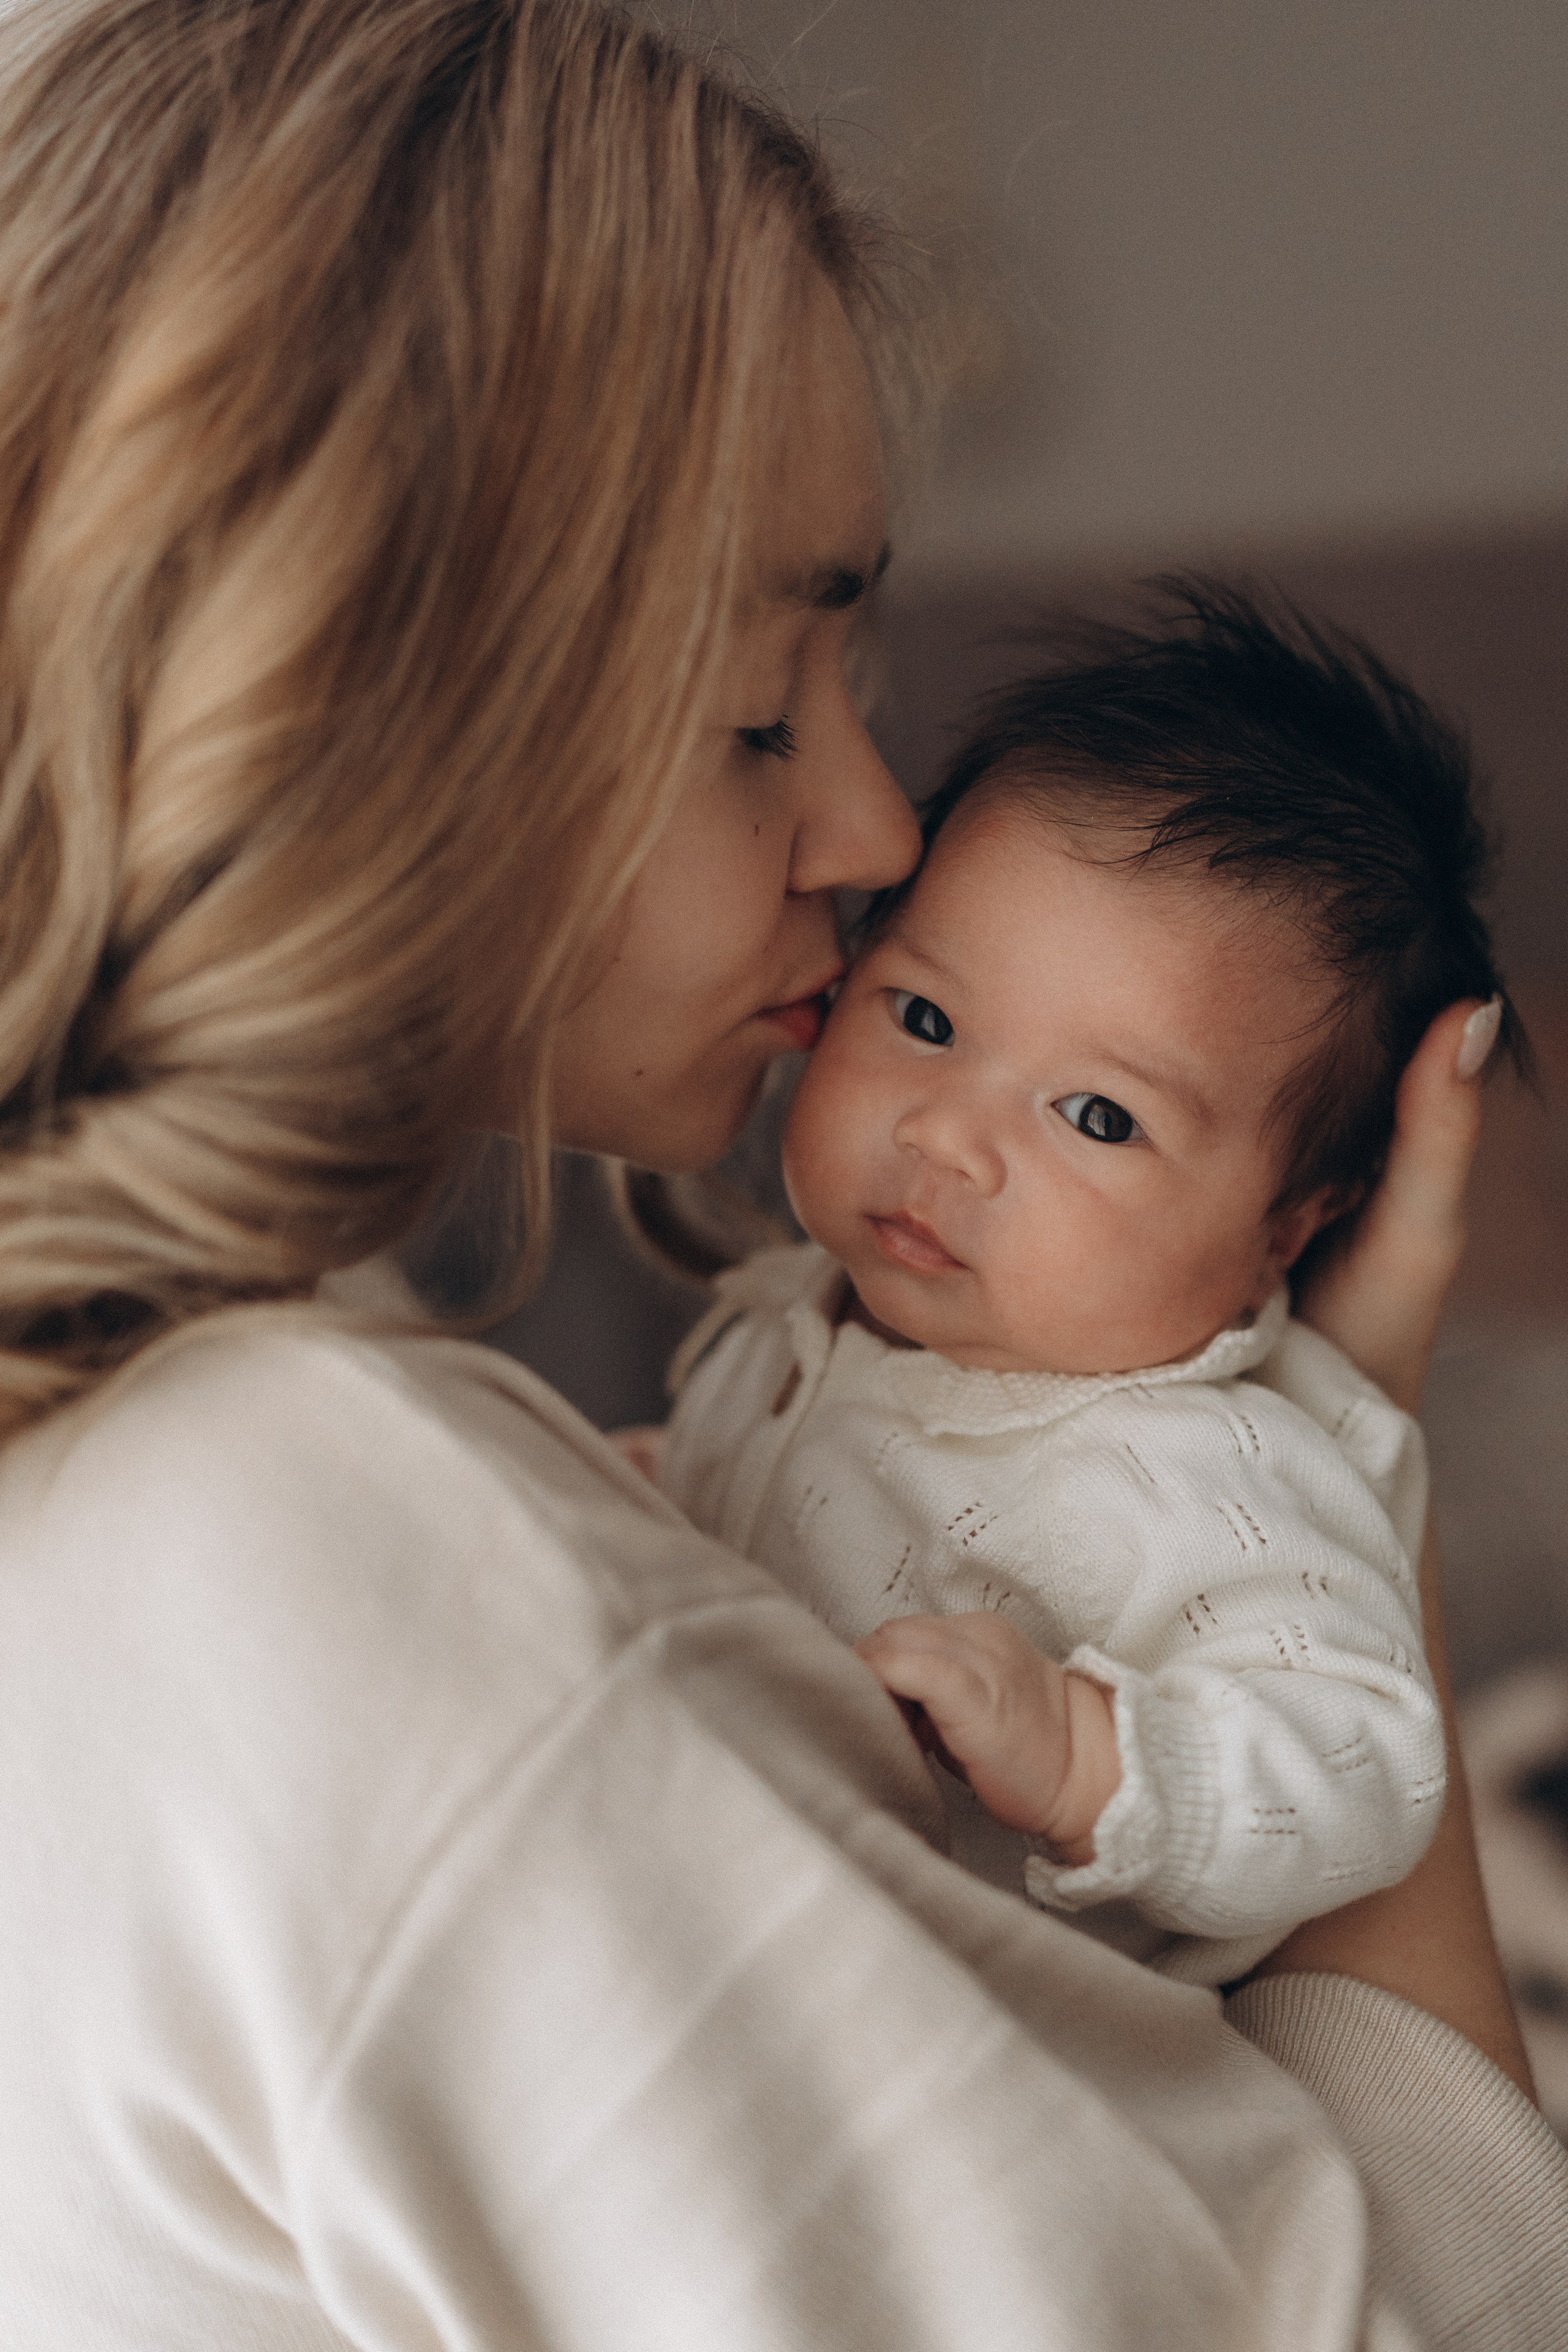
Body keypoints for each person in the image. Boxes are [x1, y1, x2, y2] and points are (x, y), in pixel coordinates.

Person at [0, 2, 1562, 2348]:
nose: (872, 828)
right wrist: (1358, 1450)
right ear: (367, 710)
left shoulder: (186, 1473)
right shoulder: (376, 1586)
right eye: (761, 712)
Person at [658, 592, 1520, 1987]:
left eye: (1098, 1117)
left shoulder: (1200, 1467)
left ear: (1285, 1228)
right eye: (925, 1019)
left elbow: (1364, 1756)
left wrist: (1090, 1758)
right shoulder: (796, 1307)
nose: (948, 1135)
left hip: (1027, 2037)